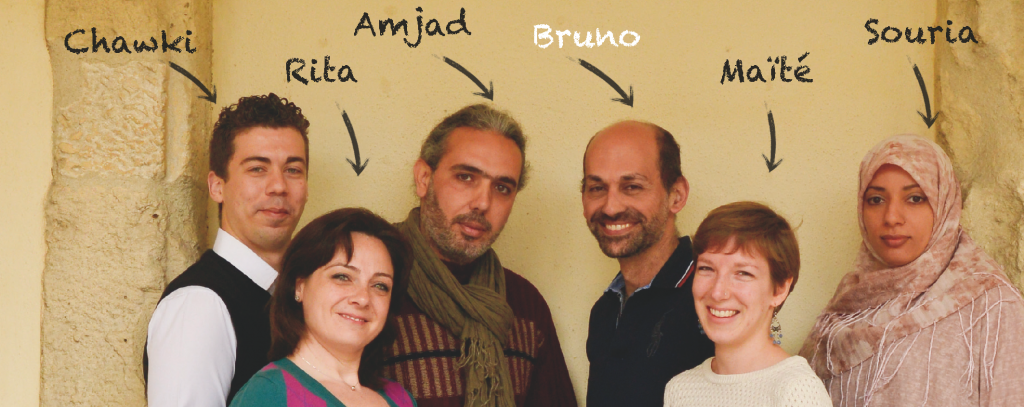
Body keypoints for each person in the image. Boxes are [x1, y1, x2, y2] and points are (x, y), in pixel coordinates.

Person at [800, 135, 1024, 406]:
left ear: (944, 204)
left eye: (915, 198)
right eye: (876, 200)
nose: (892, 217)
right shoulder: (847, 306)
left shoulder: (992, 306)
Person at [385, 104, 577, 407]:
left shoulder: (525, 306)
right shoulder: (372, 288)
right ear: (424, 178)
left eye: (502, 187)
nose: (483, 203)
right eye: (466, 177)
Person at [145, 93, 311, 406]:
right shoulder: (200, 305)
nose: (278, 186)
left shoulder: (302, 294)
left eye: (293, 170)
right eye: (257, 169)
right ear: (217, 186)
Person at [582, 121, 714, 407]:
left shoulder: (713, 300)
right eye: (596, 188)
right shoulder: (604, 310)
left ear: (676, 196)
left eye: (632, 187)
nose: (611, 207)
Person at [230, 208, 417, 407]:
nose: (363, 298)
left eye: (380, 285)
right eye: (342, 277)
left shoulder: (401, 399)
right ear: (299, 286)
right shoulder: (267, 395)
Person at [663, 202, 831, 406]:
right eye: (707, 268)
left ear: (779, 290)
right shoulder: (679, 390)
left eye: (743, 273)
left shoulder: (797, 391)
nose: (717, 292)